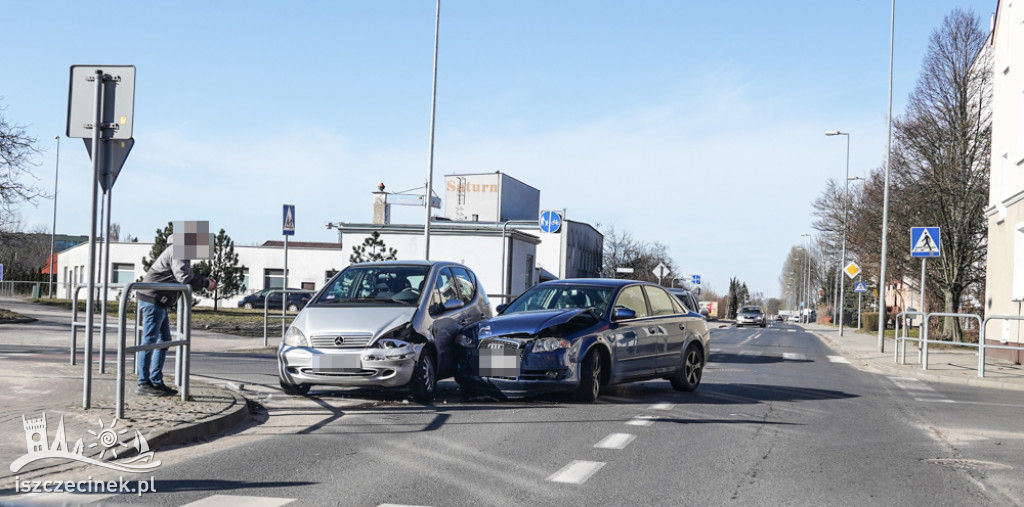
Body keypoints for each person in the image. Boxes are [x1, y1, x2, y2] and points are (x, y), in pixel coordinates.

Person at [135, 241, 216, 397]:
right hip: (153, 298)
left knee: (164, 339)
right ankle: (143, 383)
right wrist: (205, 283)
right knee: (149, 340)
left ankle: (156, 381)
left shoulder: (179, 250)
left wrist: (203, 280)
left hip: (158, 300)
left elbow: (182, 275)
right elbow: (183, 277)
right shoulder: (179, 249)